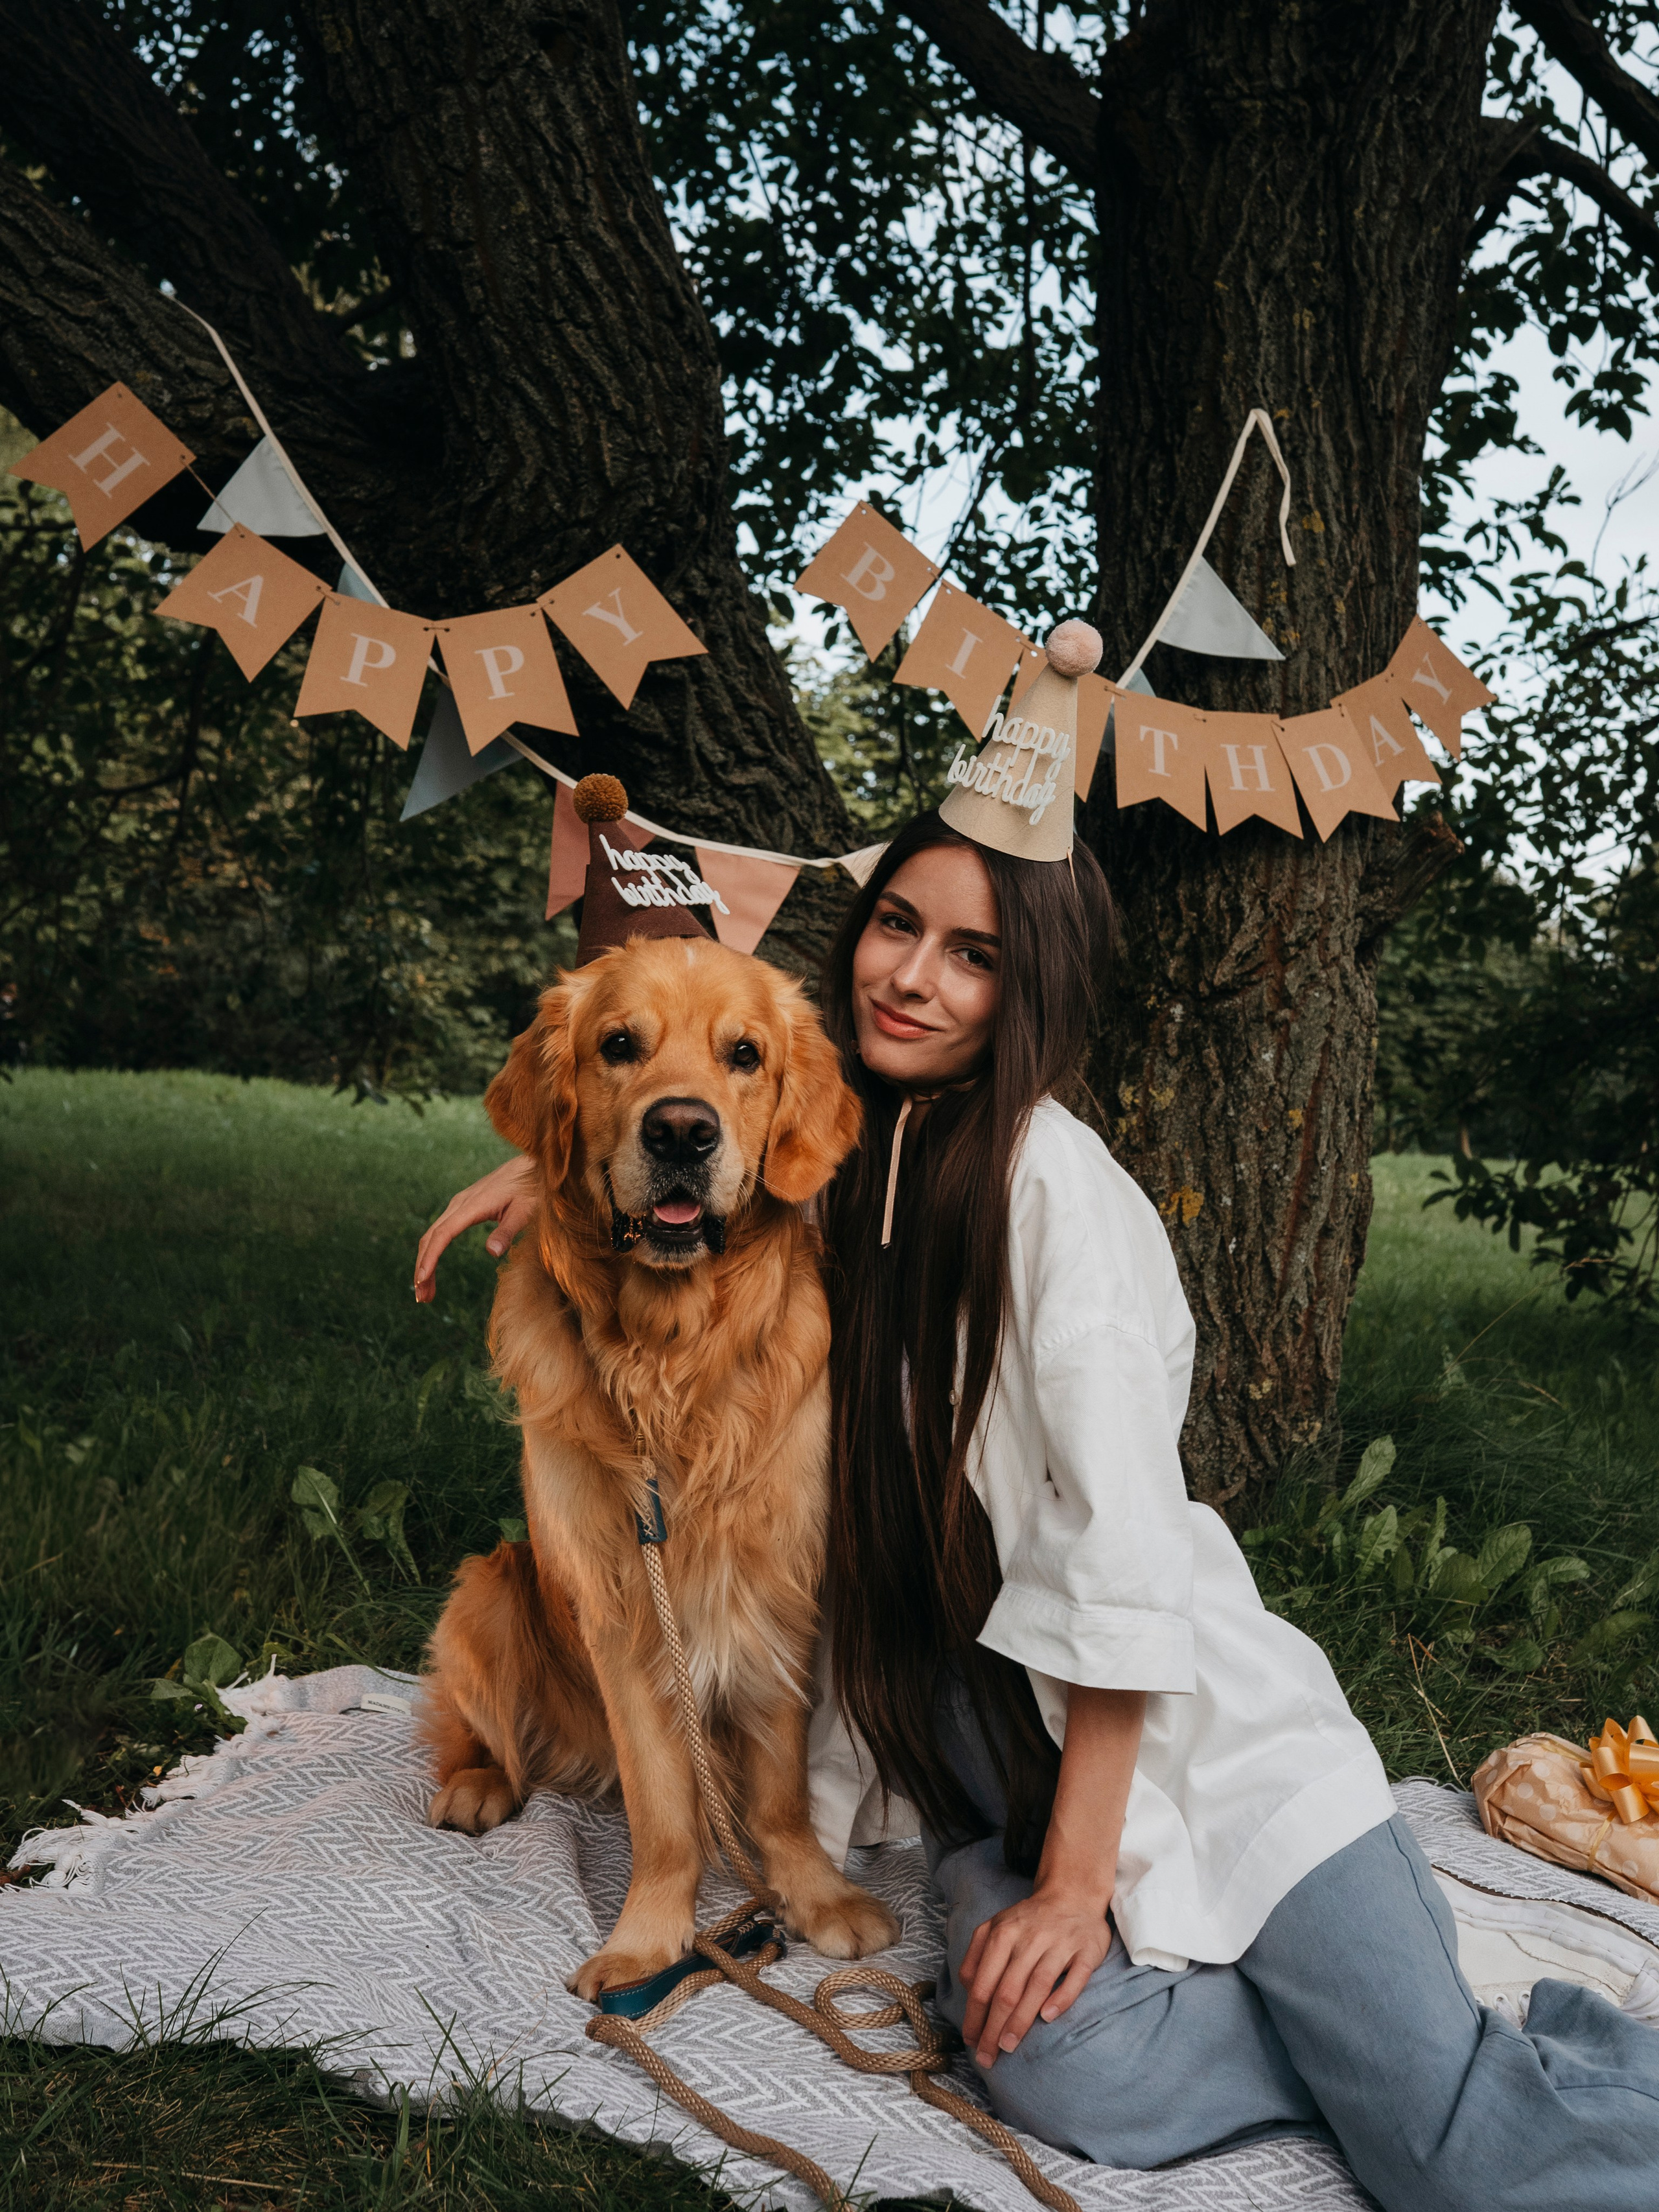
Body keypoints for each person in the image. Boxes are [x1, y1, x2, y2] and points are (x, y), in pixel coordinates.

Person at [415, 630, 1659, 2211]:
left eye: (973, 955)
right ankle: (1370, 2040)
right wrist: (550, 1163)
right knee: (1065, 2071)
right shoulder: (855, 1156)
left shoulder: (1058, 1197)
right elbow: (697, 1134)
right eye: (896, 926)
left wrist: (1073, 1892)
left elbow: (1126, 1566)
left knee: (1455, 2159)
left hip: (1198, 1755)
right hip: (986, 1753)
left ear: (1033, 988)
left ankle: (1448, 2062)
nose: (911, 976)